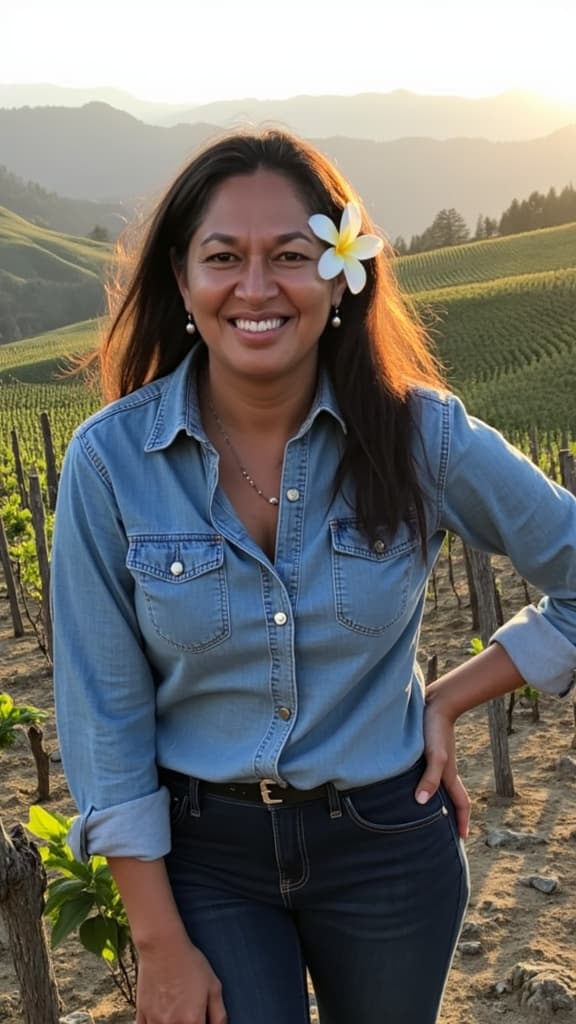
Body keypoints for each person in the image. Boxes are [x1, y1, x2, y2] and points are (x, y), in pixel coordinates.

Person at [51, 127, 576, 1024]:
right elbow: (103, 715)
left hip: (387, 847)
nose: (256, 288)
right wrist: (156, 943)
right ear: (183, 281)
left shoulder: (422, 437)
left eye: (291, 255)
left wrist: (445, 700)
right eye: (225, 257)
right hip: (204, 857)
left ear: (342, 274)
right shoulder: (110, 464)